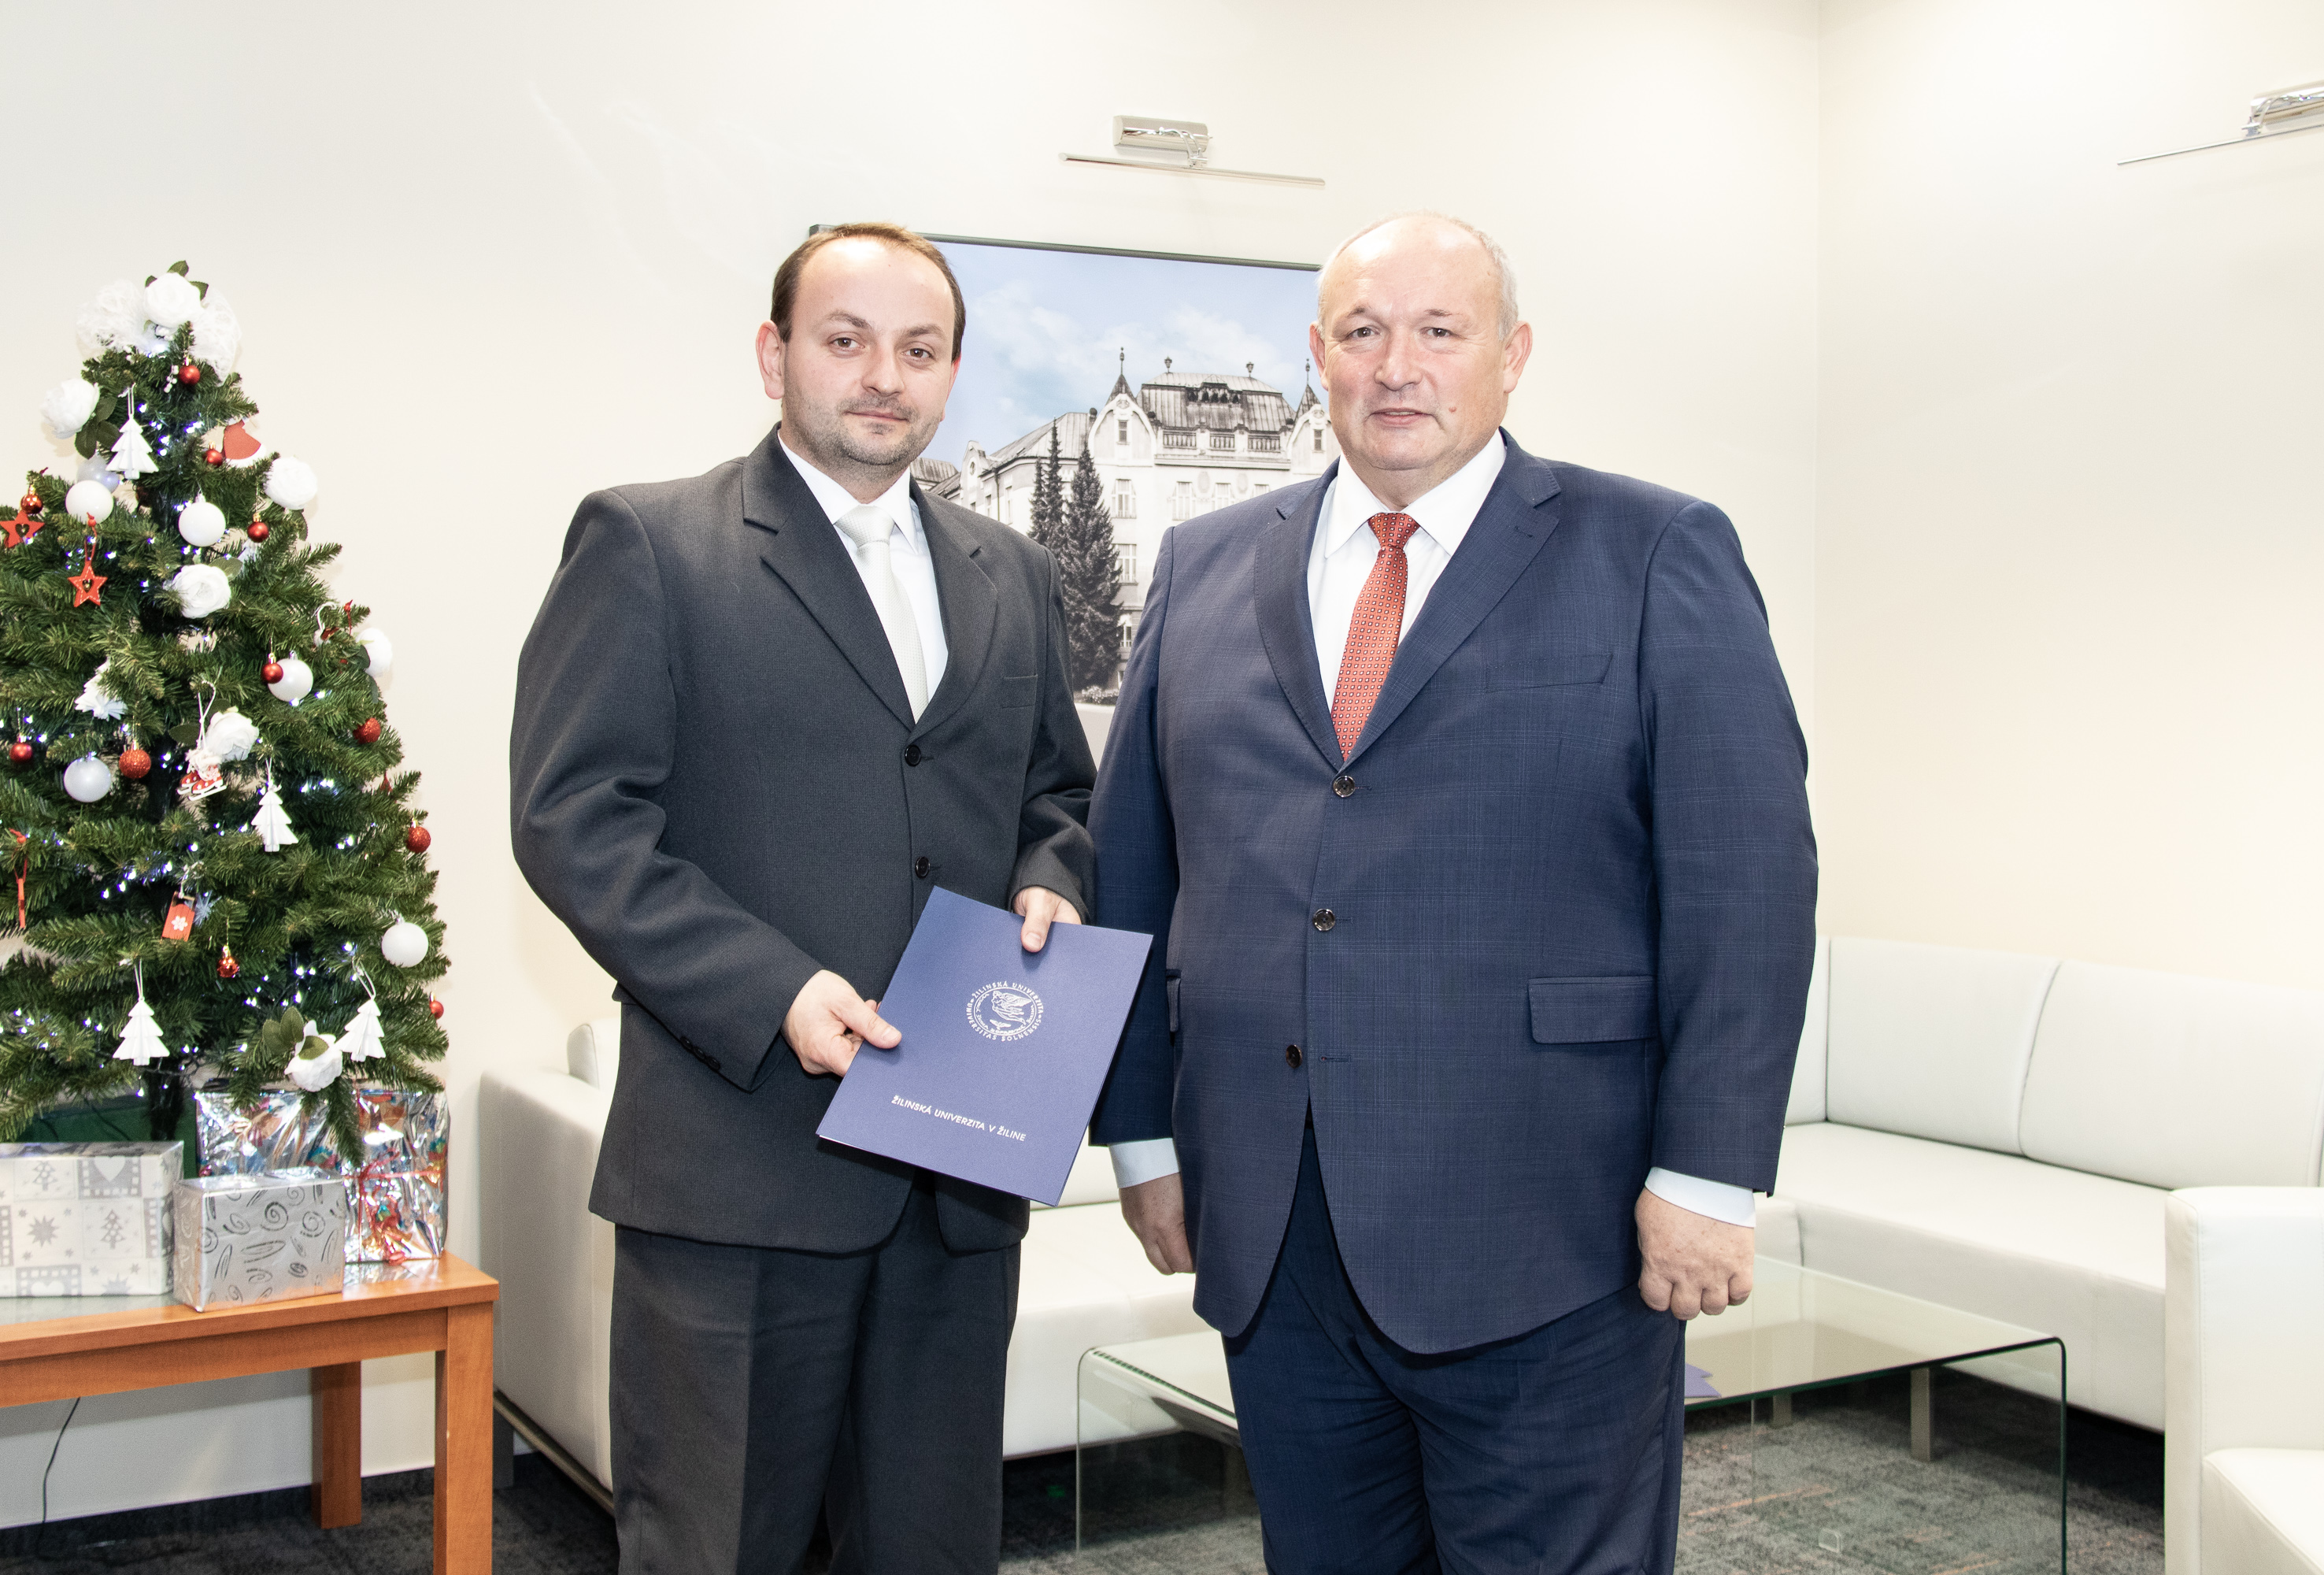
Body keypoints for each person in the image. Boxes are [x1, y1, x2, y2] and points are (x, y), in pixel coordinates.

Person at [1089, 212, 1816, 1574]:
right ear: (1318, 356)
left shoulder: (1654, 549)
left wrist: (1710, 1172)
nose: (1397, 365)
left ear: (1512, 354)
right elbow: (1132, 870)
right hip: (1277, 1234)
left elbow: (1746, 882)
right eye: (1364, 332)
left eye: (1440, 330)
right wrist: (1141, 1140)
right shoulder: (1204, 563)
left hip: (1553, 1227)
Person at [510, 221, 1094, 1575]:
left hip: (956, 1179)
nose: (885, 375)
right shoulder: (649, 542)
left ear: (952, 374)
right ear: (775, 356)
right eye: (847, 340)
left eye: (920, 349)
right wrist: (773, 990)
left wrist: (1049, 882)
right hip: (742, 1171)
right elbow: (574, 818)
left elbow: (1057, 795)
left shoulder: (1010, 571)